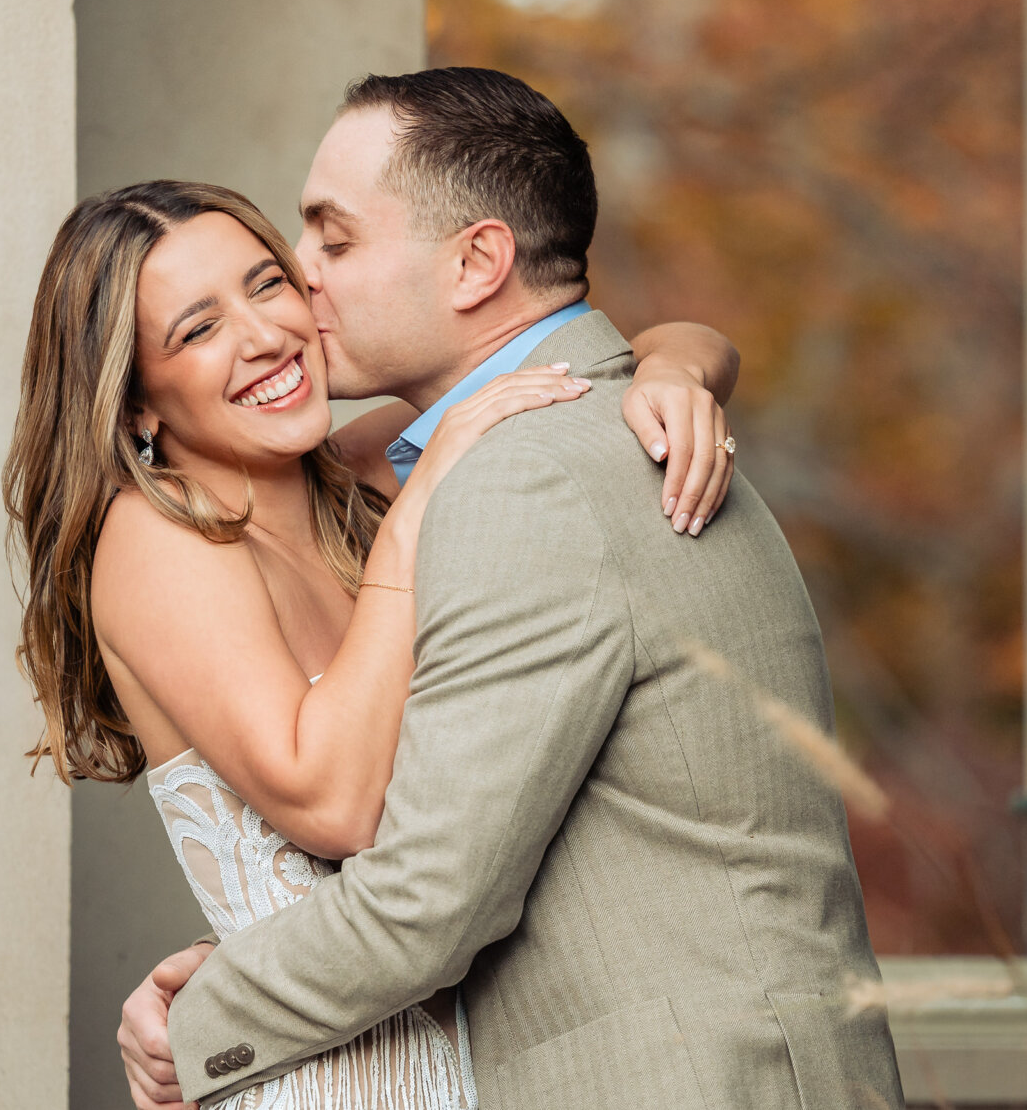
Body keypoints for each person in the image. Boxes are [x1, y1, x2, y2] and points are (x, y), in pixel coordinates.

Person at [115, 68, 905, 1110]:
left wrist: (195, 1021)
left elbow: (430, 896)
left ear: (479, 261)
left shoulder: (522, 473)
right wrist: (676, 356)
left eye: (332, 242)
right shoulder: (605, 420)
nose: (301, 286)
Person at [4, 175, 741, 1110]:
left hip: (486, 1062)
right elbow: (339, 804)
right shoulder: (158, 540)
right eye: (197, 329)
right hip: (324, 1083)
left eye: (267, 284)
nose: (265, 334)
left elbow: (610, 348)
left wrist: (677, 372)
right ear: (137, 404)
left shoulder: (367, 472)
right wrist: (419, 507)